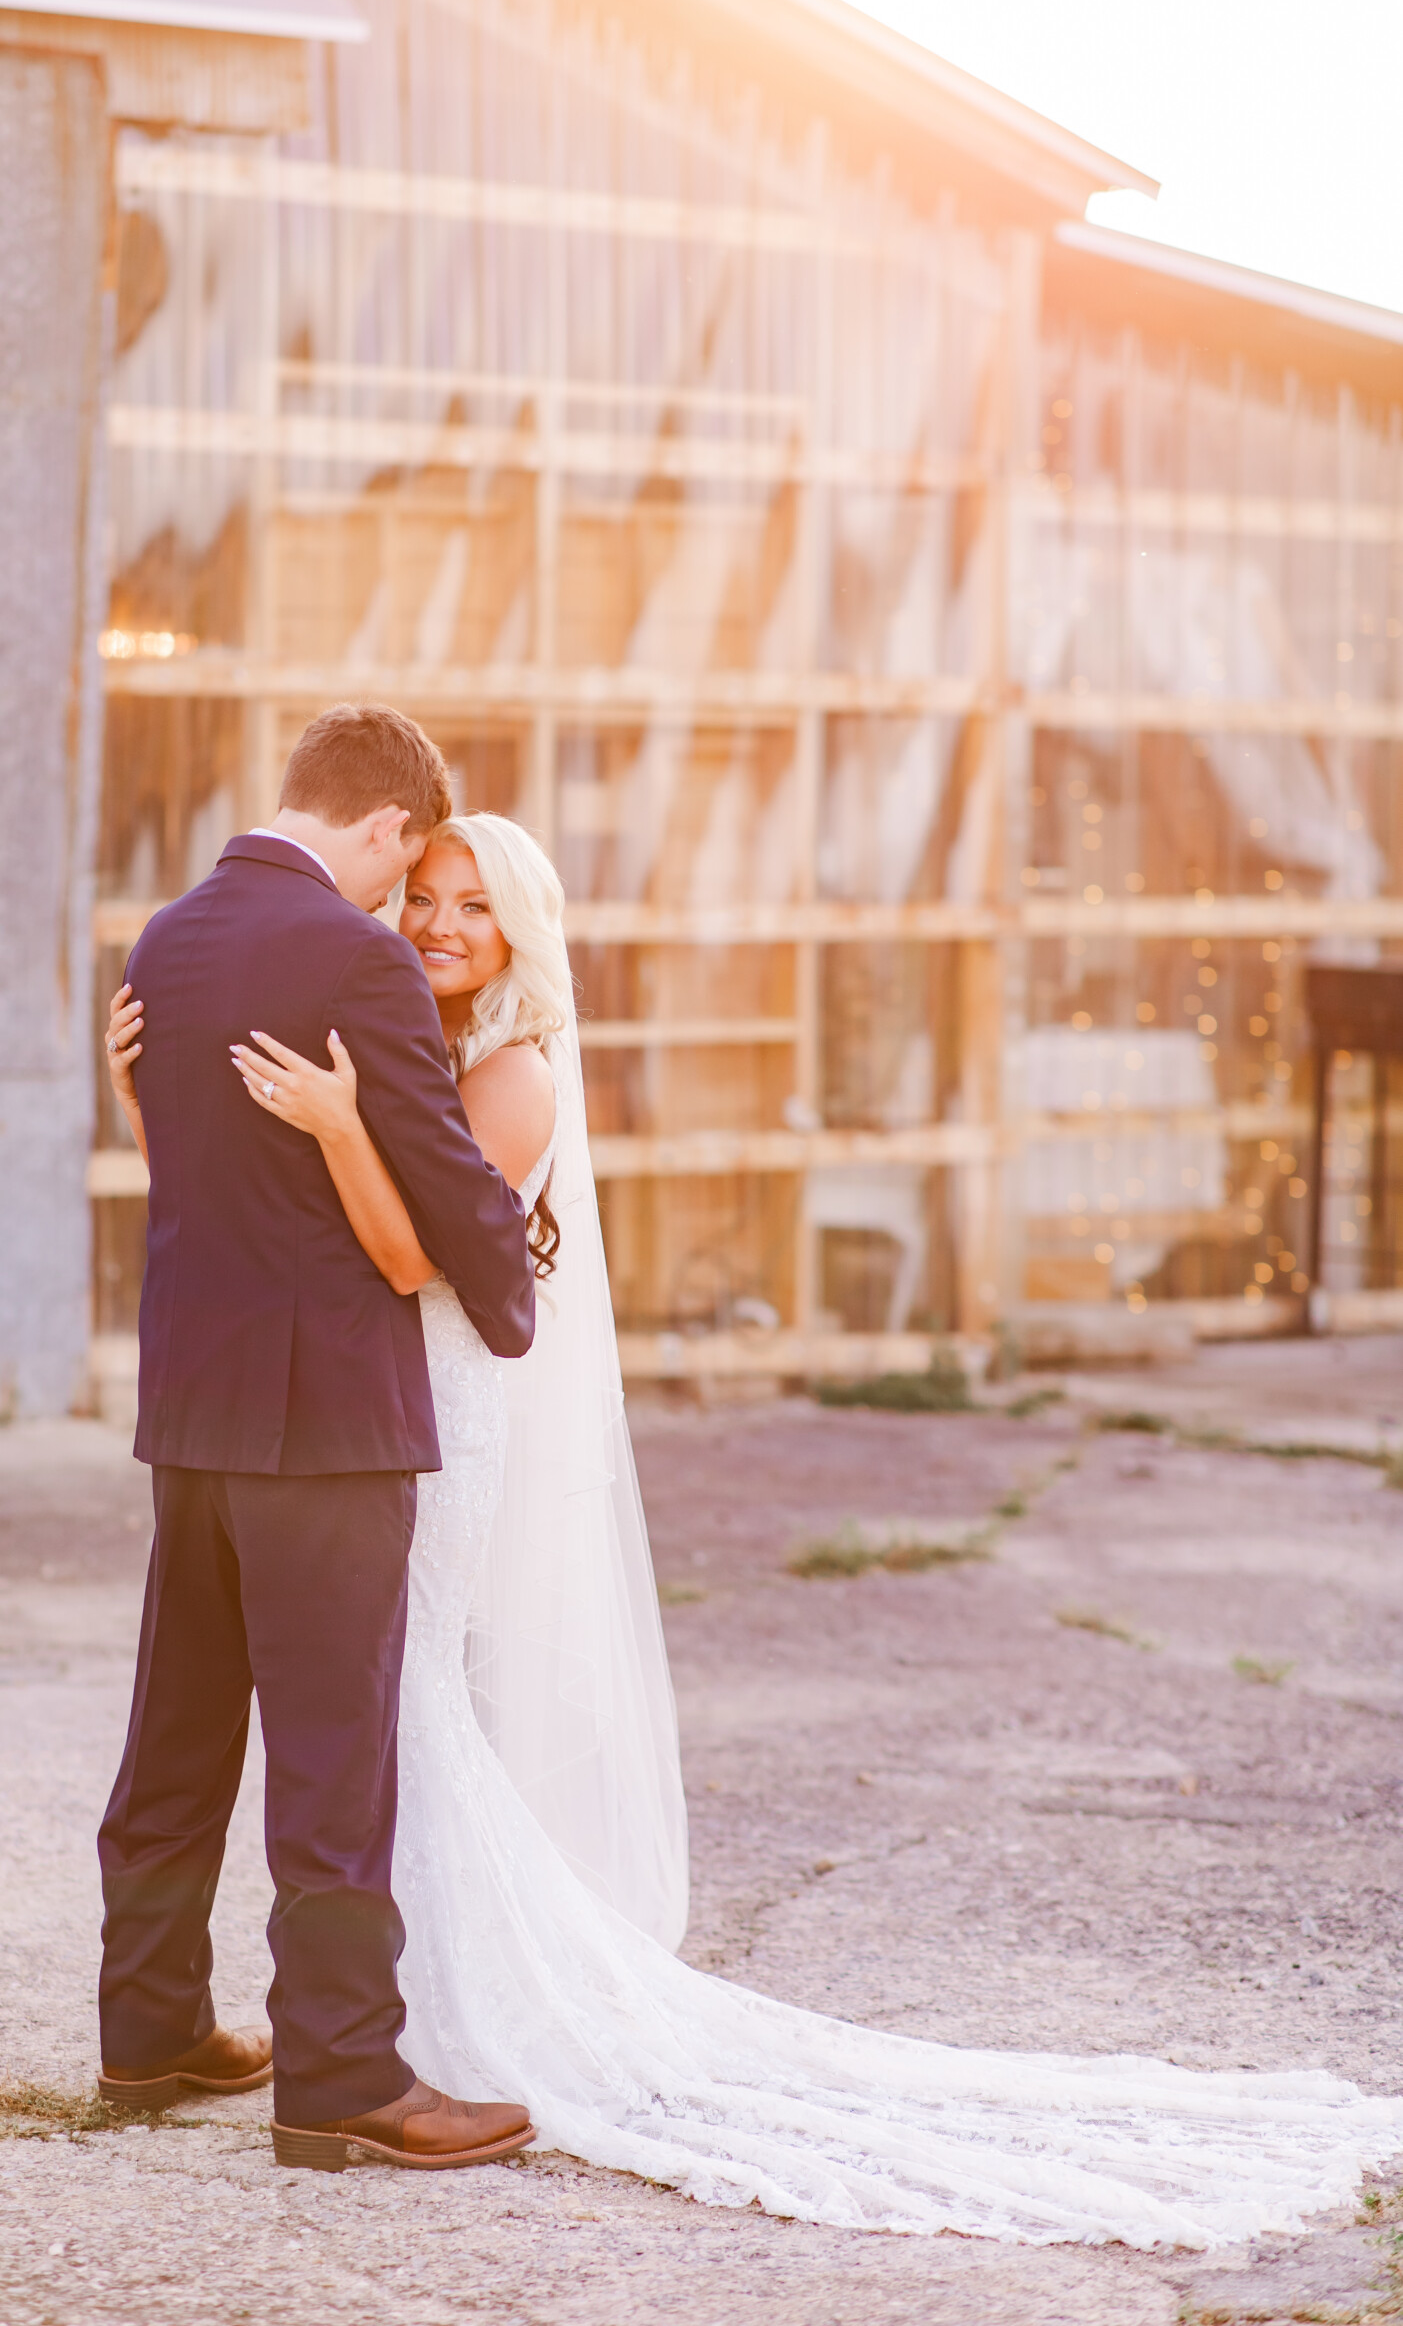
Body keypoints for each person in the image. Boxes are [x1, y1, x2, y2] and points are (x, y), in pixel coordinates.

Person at [107, 805, 1403, 2240]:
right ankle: (361, 2039)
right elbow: (270, 1203)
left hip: (412, 1412)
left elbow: (413, 1252)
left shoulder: (514, 1071)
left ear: (523, 931)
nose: (437, 924)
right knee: (377, 1724)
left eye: (473, 905)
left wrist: (346, 1123)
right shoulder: (417, 1036)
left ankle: (385, 2041)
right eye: (426, 895)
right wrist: (185, 1111)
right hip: (352, 1412)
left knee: (380, 1722)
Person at [94, 705, 539, 2175]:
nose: (404, 908)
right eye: (408, 872)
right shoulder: (354, 959)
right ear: (390, 828)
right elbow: (443, 1180)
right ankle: (345, 2076)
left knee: (179, 1733)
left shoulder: (165, 940)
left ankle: (150, 2028)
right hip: (329, 1427)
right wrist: (510, 1294)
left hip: (194, 1415)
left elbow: (188, 1187)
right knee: (335, 1760)